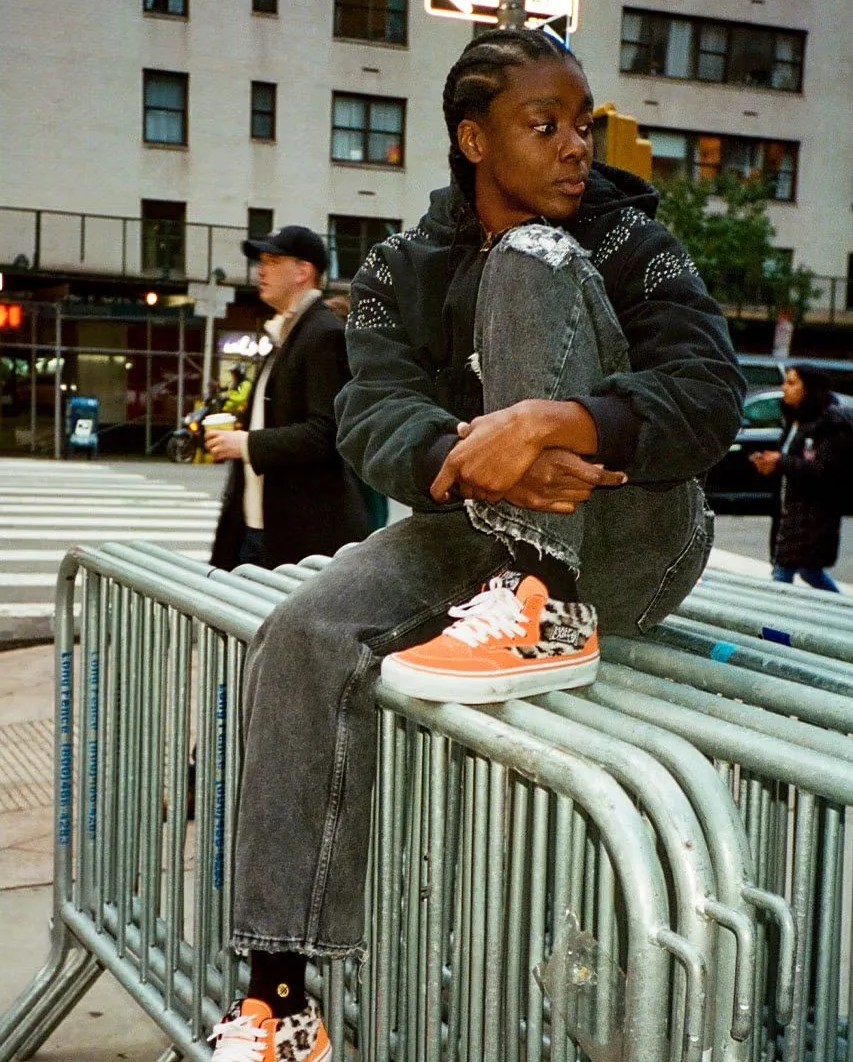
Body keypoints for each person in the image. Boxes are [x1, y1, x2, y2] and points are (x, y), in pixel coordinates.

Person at [208, 28, 744, 1060]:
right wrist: (477, 451)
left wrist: (559, 424)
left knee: (532, 261)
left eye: (580, 125)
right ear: (471, 138)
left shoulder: (633, 242)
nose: (574, 148)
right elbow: (370, 413)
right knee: (299, 634)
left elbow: (709, 395)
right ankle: (282, 1004)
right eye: (543, 126)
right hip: (470, 527)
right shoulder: (398, 269)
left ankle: (546, 602)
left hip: (633, 532)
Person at [207, 225, 373, 570]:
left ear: (302, 271)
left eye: (272, 261)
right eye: (261, 261)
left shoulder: (323, 334)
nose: (261, 270)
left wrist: (247, 444)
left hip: (297, 537)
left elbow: (326, 433)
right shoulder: (288, 332)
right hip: (261, 527)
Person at [751, 364, 850, 591]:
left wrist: (781, 461)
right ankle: (842, 611)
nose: (784, 388)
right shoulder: (795, 421)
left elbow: (824, 469)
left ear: (810, 389)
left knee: (784, 573)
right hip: (789, 511)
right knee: (808, 572)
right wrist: (771, 463)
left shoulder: (829, 425)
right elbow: (794, 463)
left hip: (813, 514)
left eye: (792, 382)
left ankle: (772, 622)